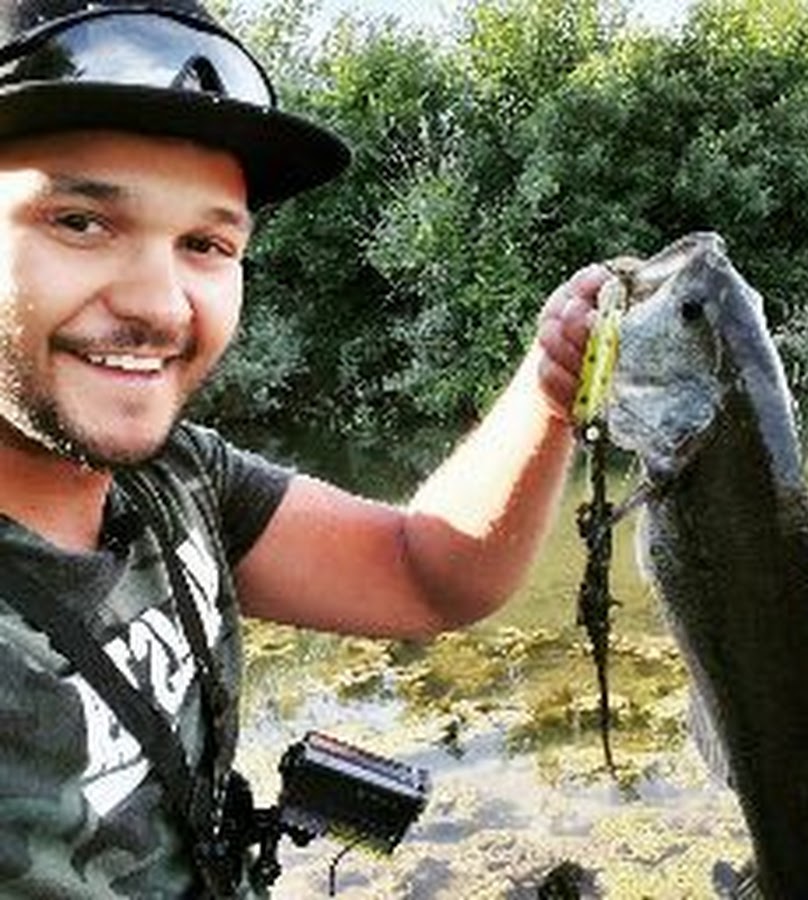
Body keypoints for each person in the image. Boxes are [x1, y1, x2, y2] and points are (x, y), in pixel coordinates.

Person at [0, 0, 608, 895]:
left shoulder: (180, 481)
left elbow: (425, 573)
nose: (160, 304)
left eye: (207, 242)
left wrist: (549, 389)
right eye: (79, 221)